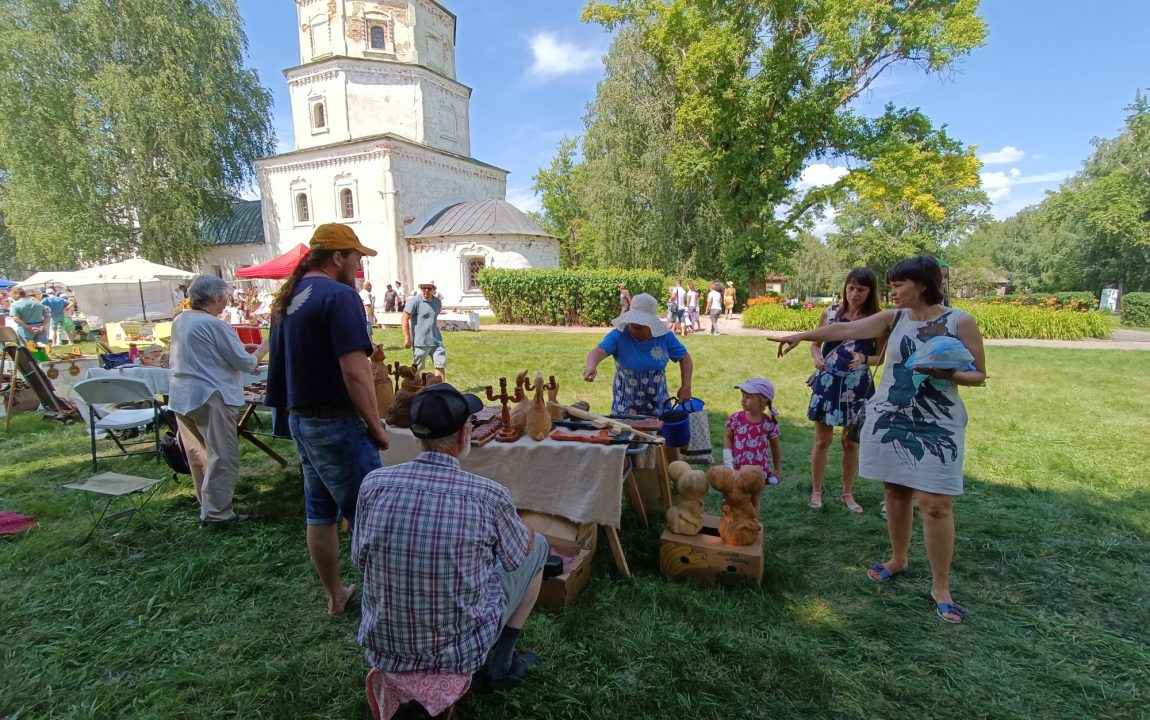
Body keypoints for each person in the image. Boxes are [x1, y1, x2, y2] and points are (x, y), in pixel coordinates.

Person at [776, 254, 987, 623]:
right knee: (896, 492)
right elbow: (843, 331)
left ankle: (940, 586)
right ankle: (898, 558)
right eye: (890, 285)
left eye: (898, 284)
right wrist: (800, 336)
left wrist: (944, 372)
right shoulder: (895, 318)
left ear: (922, 284)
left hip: (937, 423)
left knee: (936, 503)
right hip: (892, 417)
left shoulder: (960, 321)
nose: (892, 292)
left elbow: (979, 375)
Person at [354, 384, 548, 691]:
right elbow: (516, 556)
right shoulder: (488, 495)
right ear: (463, 434)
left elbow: (361, 559)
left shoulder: (373, 484)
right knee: (538, 546)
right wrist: (521, 526)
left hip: (384, 646)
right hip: (458, 654)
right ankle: (502, 665)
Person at [265, 222, 389, 615]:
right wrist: (375, 425)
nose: (359, 267)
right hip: (337, 424)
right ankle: (387, 605)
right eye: (356, 258)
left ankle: (336, 595)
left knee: (319, 513)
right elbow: (356, 371)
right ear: (338, 257)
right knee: (369, 519)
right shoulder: (338, 296)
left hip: (302, 422)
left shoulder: (289, 297)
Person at [169, 275, 268, 526]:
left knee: (199, 454)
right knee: (222, 455)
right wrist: (268, 343)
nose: (227, 301)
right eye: (225, 296)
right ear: (214, 298)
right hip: (209, 395)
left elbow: (209, 352)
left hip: (184, 395)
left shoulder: (182, 320)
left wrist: (240, 350)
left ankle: (208, 504)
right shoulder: (214, 324)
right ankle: (217, 513)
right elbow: (246, 364)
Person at [806, 268, 887, 512]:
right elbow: (814, 345)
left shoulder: (878, 320)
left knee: (850, 443)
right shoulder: (829, 313)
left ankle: (847, 494)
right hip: (827, 385)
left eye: (861, 289)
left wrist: (864, 358)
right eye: (850, 288)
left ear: (870, 291)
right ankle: (816, 492)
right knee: (822, 441)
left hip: (857, 389)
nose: (854, 294)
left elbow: (879, 357)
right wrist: (817, 356)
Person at [583, 293, 694, 417]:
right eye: (631, 324)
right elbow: (598, 351)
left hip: (658, 405)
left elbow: (685, 358)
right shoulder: (619, 335)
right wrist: (591, 366)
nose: (632, 328)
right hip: (625, 406)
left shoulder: (665, 337)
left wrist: (686, 386)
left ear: (651, 325)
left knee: (659, 435)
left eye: (638, 328)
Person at [723, 377, 782, 513]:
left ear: (763, 401)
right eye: (743, 395)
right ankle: (732, 522)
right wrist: (727, 459)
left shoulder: (769, 424)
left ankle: (752, 525)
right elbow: (727, 437)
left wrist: (777, 469)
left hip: (758, 473)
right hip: (736, 469)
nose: (743, 399)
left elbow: (775, 448)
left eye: (748, 397)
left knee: (754, 499)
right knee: (733, 496)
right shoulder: (736, 418)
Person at [402, 279, 446, 381]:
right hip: (420, 343)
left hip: (436, 341)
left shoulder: (437, 302)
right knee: (416, 370)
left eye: (429, 288)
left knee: (440, 365)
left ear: (434, 289)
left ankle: (440, 390)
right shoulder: (414, 301)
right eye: (423, 288)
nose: (426, 290)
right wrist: (407, 338)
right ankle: (413, 389)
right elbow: (404, 319)